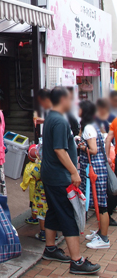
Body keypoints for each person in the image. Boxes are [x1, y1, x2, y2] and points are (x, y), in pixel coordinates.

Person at [41, 86, 100, 275]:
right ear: (63, 100)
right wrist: (74, 172)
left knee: (54, 211)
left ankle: (50, 248)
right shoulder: (59, 120)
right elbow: (59, 150)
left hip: (50, 175)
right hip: (59, 177)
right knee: (68, 215)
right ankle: (77, 261)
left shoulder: (51, 117)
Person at [78, 100, 111, 248]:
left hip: (95, 171)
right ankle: (100, 232)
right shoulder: (93, 125)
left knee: (101, 205)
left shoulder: (88, 127)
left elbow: (93, 150)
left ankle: (104, 239)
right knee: (99, 203)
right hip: (98, 170)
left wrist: (82, 147)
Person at [20, 144, 47, 240]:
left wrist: (24, 186)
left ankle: (43, 232)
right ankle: (53, 233)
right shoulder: (52, 163)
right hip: (50, 193)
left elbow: (33, 175)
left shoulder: (37, 165)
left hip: (39, 192)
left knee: (40, 212)